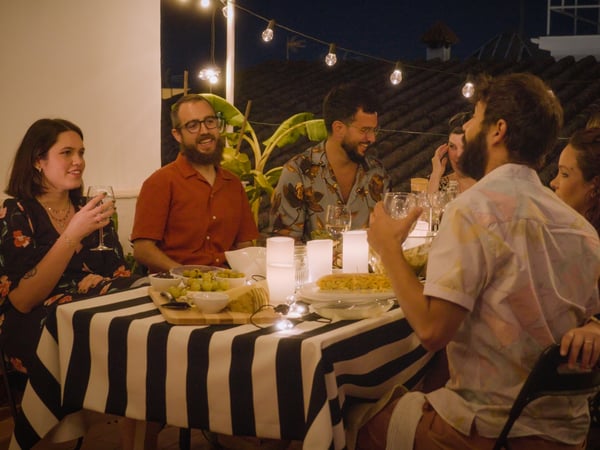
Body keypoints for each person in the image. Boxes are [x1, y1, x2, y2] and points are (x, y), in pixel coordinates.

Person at [360, 73, 600, 450]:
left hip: (489, 430)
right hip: (566, 435)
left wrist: (388, 248)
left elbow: (431, 332)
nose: (468, 126)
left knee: (357, 419)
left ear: (498, 130)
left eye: (475, 117)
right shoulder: (582, 231)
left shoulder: (473, 211)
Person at [0, 118, 151, 449]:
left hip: (93, 309)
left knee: (146, 299)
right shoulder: (17, 212)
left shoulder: (90, 208)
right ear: (38, 160)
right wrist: (71, 235)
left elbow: (117, 273)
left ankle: (135, 443)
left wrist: (102, 283)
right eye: (66, 152)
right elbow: (23, 299)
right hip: (33, 320)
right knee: (92, 327)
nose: (79, 160)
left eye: (81, 152)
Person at [131, 94, 259, 273]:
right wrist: (183, 274)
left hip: (227, 284)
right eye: (192, 126)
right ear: (178, 135)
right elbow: (143, 249)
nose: (204, 131)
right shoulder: (160, 182)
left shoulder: (233, 184)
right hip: (174, 288)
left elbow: (245, 244)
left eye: (210, 121)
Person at [268, 82, 390, 242]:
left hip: (367, 267)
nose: (372, 138)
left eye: (374, 130)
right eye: (364, 130)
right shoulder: (298, 172)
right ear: (338, 128)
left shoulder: (377, 173)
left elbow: (386, 236)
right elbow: (284, 243)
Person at [427, 112, 476, 195]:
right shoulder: (442, 184)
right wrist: (435, 174)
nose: (458, 154)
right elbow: (429, 206)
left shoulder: (492, 182)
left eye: (464, 147)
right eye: (452, 146)